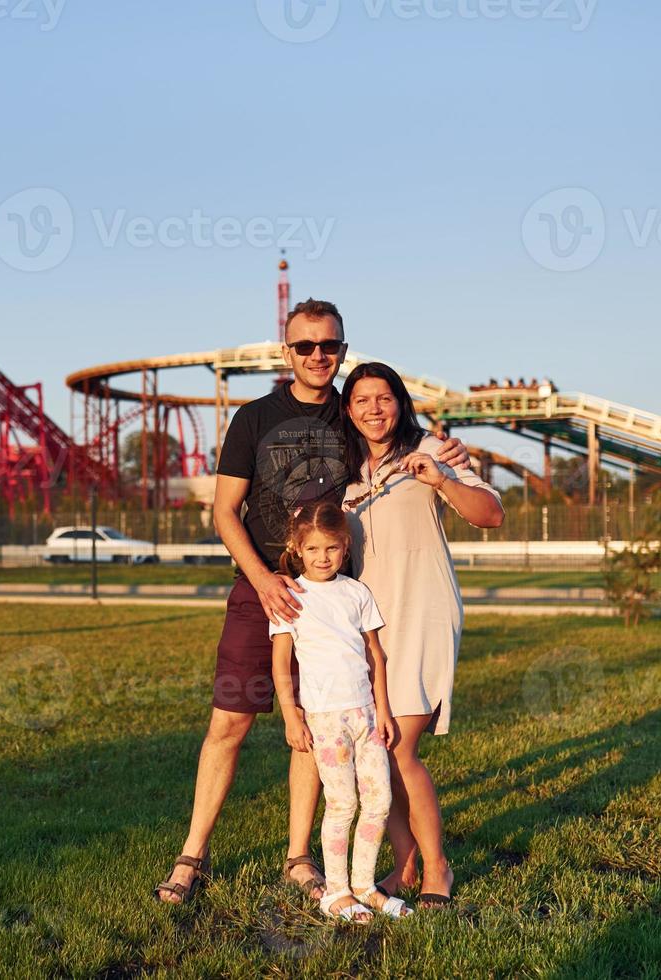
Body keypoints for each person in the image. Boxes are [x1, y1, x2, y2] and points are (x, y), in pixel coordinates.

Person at [154, 301, 470, 905]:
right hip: (263, 591)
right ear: (286, 352)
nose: (318, 356)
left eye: (329, 346)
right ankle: (192, 854)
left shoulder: (355, 415)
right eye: (305, 346)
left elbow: (400, 438)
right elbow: (224, 512)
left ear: (342, 350)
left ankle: (299, 857)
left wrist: (447, 455)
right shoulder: (252, 417)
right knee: (230, 721)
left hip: (334, 602)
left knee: (318, 722)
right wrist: (265, 580)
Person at [338, 361, 503, 909]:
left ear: (400, 402)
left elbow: (491, 515)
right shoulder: (343, 469)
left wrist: (445, 479)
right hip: (367, 623)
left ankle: (436, 868)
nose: (373, 410)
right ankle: (405, 864)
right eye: (361, 400)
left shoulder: (432, 450)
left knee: (397, 747)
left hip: (425, 609)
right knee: (375, 754)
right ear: (348, 409)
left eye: (383, 398)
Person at [268, 499, 413, 922]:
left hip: (365, 716)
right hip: (325, 719)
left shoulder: (356, 593)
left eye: (330, 548)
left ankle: (365, 886)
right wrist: (292, 716)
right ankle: (336, 892)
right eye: (312, 549)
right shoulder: (292, 598)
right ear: (297, 548)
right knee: (342, 803)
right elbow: (280, 666)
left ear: (344, 547)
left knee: (378, 800)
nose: (322, 557)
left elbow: (376, 657)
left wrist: (383, 711)